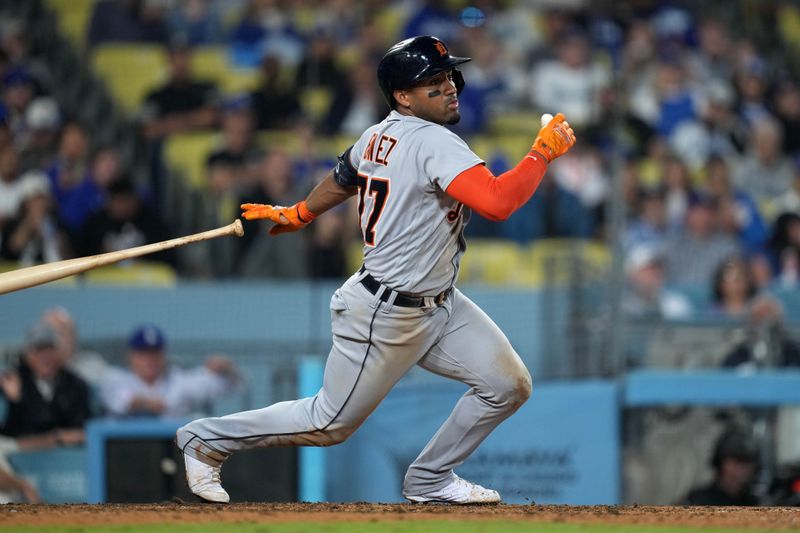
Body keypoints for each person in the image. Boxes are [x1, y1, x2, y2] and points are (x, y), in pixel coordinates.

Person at [176, 35, 576, 504]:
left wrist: (301, 212)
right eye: (432, 82)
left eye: (448, 77)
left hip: (441, 302)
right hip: (386, 314)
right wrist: (540, 154)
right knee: (329, 423)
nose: (448, 87)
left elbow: (345, 175)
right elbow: (499, 203)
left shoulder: (378, 133)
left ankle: (429, 479)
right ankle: (205, 440)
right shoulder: (432, 141)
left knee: (507, 385)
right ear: (403, 96)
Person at [100, 324, 239, 418]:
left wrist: (226, 368)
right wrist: (144, 403)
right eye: (143, 353)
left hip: (170, 450)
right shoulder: (116, 379)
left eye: (155, 353)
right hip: (123, 451)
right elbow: (119, 401)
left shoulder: (178, 380)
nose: (150, 359)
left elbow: (229, 385)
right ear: (131, 356)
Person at [0, 321, 91, 438]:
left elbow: (80, 429)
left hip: (66, 453)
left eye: (50, 349)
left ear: (59, 352)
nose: (45, 356)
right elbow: (14, 432)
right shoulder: (11, 381)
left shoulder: (76, 385)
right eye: (39, 349)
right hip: (20, 452)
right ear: (28, 354)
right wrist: (15, 402)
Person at [682, 425, 760, 506]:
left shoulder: (755, 504)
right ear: (723, 463)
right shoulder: (696, 502)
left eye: (750, 462)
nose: (745, 468)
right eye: (738, 461)